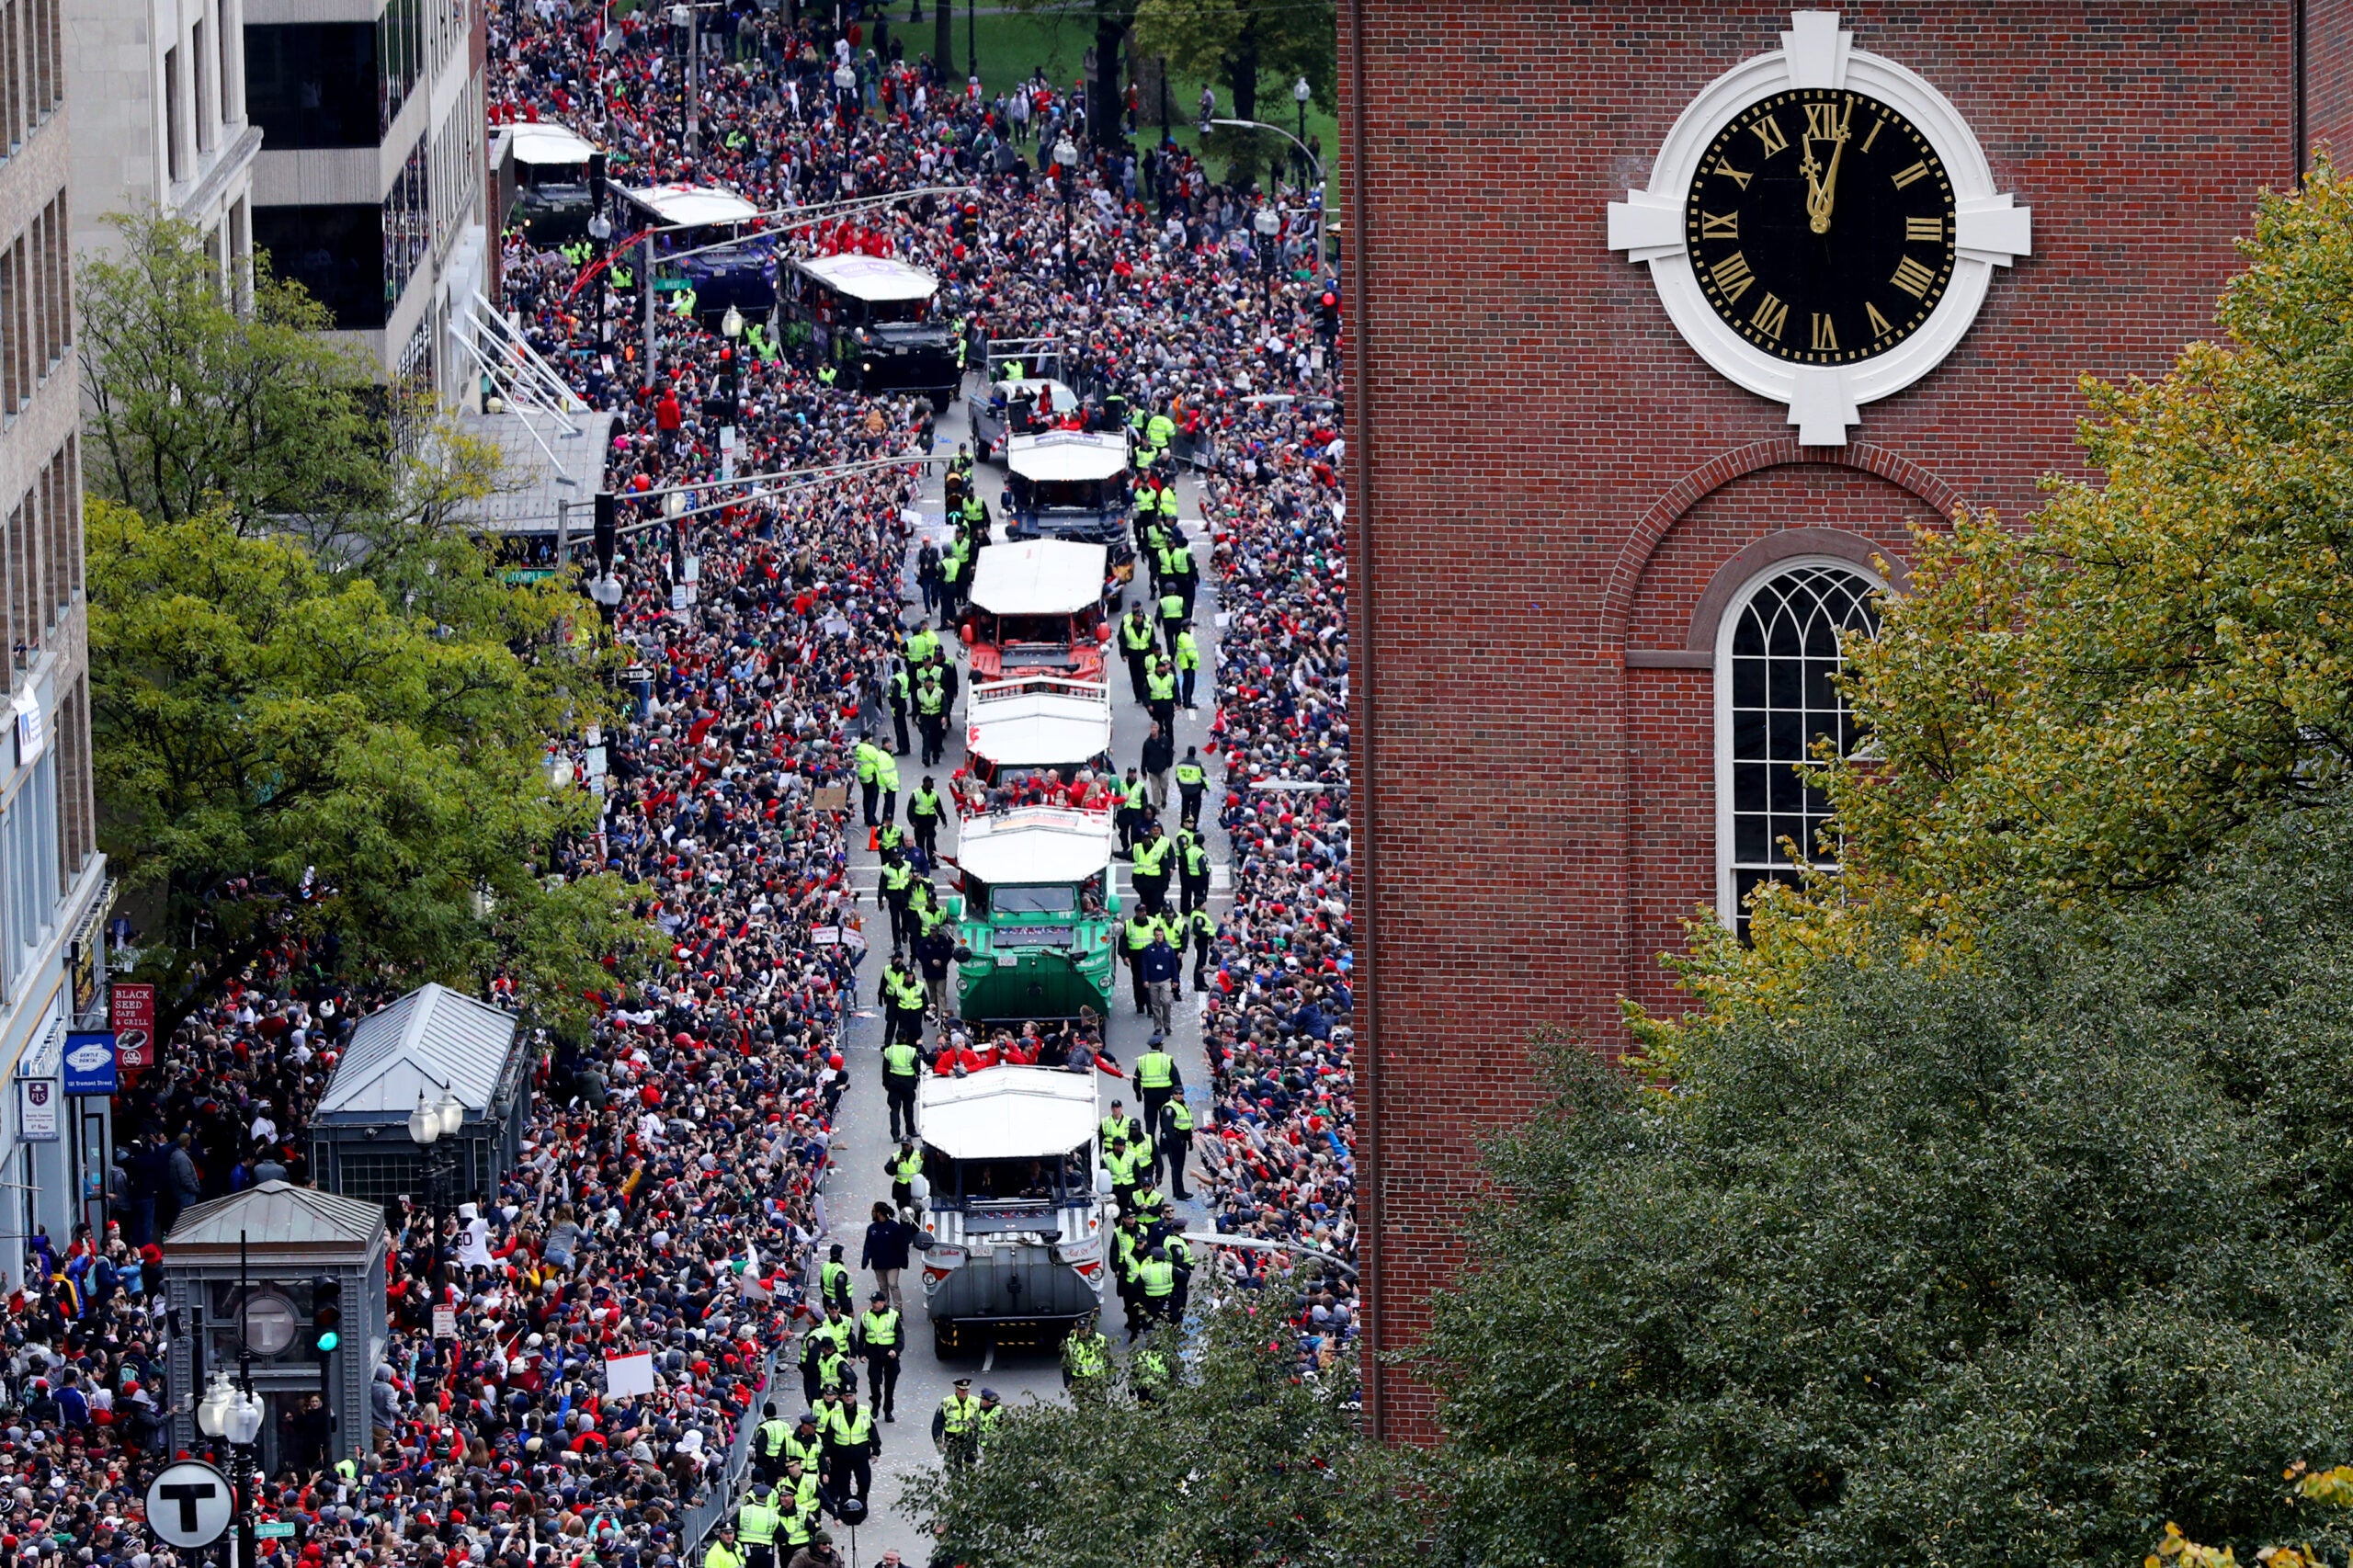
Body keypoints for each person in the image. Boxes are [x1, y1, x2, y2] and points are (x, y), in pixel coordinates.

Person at [823, 1387, 878, 1504]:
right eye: (846, 1395)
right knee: (843, 1484)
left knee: (864, 1482)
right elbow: (828, 1435)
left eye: (851, 1395)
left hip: (861, 1455)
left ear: (855, 1395)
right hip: (841, 1455)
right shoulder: (835, 1413)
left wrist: (876, 1451)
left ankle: (862, 1506)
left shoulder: (864, 1411)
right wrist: (827, 1453)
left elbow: (873, 1432)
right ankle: (845, 1508)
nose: (848, 1398)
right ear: (841, 1397)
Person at [857, 1289, 903, 1421]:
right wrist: (861, 1353)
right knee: (874, 1383)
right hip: (874, 1354)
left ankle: (888, 1411)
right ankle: (875, 1407)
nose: (873, 1304)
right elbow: (861, 1336)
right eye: (872, 1302)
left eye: (875, 1302)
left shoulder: (893, 1315)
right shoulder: (866, 1316)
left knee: (889, 1386)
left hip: (890, 1355)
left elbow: (900, 1337)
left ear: (883, 1302)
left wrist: (896, 1350)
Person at [862, 1201, 915, 1309]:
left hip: (893, 1263)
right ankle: (885, 1306)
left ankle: (898, 1307)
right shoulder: (871, 1229)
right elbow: (868, 1246)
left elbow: (902, 1245)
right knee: (883, 1287)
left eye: (873, 1211)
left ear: (879, 1213)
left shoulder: (894, 1228)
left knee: (892, 1284)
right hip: (878, 1263)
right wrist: (865, 1260)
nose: (871, 1213)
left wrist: (904, 1261)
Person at [1131, 1034, 1178, 1137]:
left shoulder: (1142, 1060)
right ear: (1160, 1046)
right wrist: (1177, 1096)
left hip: (1149, 1095)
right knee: (1165, 1121)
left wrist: (1138, 1093)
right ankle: (1163, 1146)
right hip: (1165, 1095)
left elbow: (1136, 1079)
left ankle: (1150, 1145)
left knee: (1150, 1122)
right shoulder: (1166, 1059)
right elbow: (1176, 1078)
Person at [881, 1029, 922, 1140]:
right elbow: (917, 1067)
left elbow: (885, 1069)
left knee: (895, 1108)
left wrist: (885, 1083)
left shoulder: (889, 1050)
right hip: (908, 1083)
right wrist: (919, 1077)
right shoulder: (911, 1051)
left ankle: (895, 1134)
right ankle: (910, 1130)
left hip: (894, 1083)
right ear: (905, 1038)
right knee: (908, 1108)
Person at [932, 1377, 982, 1467]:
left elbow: (983, 1419)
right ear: (956, 1389)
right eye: (962, 1390)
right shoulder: (946, 1402)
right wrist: (938, 1441)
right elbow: (937, 1423)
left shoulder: (976, 1401)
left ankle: (969, 1480)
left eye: (967, 1390)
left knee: (971, 1464)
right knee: (955, 1464)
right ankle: (958, 1479)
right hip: (952, 1438)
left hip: (969, 1437)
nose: (965, 1392)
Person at [1061, 1312, 1111, 1392]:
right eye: (1080, 1329)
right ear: (1076, 1329)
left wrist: (1111, 1379)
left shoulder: (1100, 1339)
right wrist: (1069, 1382)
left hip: (1098, 1379)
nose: (1082, 1332)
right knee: (1082, 1404)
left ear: (1089, 1328)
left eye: (1084, 1329)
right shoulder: (1071, 1342)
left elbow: (1108, 1360)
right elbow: (1066, 1364)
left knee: (1099, 1403)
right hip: (1079, 1381)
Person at [1158, 1094, 1195, 1200]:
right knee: (1176, 1167)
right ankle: (1180, 1191)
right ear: (1172, 1095)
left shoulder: (1182, 1106)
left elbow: (1187, 1125)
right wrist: (1173, 1141)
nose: (1178, 1096)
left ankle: (1177, 1190)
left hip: (1182, 1138)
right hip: (1175, 1140)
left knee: (1179, 1166)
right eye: (1176, 1094)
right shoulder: (1170, 1107)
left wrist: (1189, 1141)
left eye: (1180, 1094)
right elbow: (1167, 1126)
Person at [737, 1485, 781, 1568]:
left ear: (755, 1497)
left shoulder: (743, 1511)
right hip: (766, 1553)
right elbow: (783, 1537)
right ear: (767, 1498)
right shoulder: (772, 1515)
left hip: (747, 1551)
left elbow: (732, 1526)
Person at [1174, 746, 1207, 828]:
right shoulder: (1197, 764)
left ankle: (1183, 823)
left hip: (1184, 790)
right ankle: (1193, 825)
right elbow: (1203, 777)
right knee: (1195, 809)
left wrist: (1180, 786)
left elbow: (1177, 776)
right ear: (1194, 753)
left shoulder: (1180, 763)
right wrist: (1207, 787)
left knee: (1185, 807)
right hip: (1195, 790)